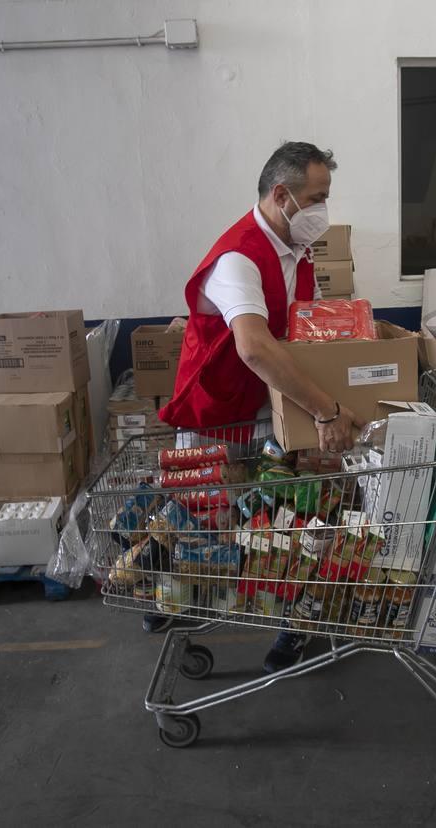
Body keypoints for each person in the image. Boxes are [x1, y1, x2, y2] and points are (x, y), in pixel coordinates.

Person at [152, 142, 361, 668]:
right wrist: (328, 411)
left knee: (285, 529)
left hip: (269, 414)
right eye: (317, 198)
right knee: (210, 530)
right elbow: (253, 345)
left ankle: (292, 627)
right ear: (282, 195)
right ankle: (177, 600)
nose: (323, 210)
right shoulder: (239, 256)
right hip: (219, 417)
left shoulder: (297, 252)